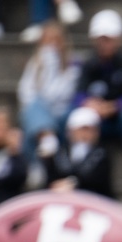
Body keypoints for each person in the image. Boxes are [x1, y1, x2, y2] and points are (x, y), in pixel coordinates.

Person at [75, 10, 122, 191]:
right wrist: (88, 104)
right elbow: (77, 95)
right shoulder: (89, 63)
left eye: (108, 39)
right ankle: (73, 171)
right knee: (71, 118)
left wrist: (115, 106)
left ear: (118, 39)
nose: (104, 44)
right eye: (101, 39)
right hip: (97, 121)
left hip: (120, 120)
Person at [17, 19, 80, 149]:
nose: (51, 45)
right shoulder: (35, 63)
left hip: (62, 113)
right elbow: (24, 91)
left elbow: (63, 93)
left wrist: (53, 65)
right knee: (31, 113)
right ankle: (47, 137)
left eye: (55, 40)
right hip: (39, 111)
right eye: (47, 40)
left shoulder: (73, 64)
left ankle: (47, 138)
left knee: (34, 120)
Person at [46, 106, 115, 198]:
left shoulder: (102, 153)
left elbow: (97, 179)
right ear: (70, 132)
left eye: (89, 130)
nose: (84, 135)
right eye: (80, 130)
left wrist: (73, 183)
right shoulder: (60, 153)